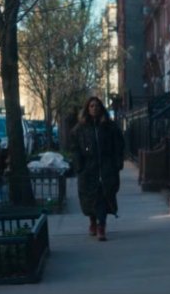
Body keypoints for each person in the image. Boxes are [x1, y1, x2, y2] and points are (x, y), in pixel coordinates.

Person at [70, 97, 125, 241]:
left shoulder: (110, 127)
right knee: (90, 197)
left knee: (103, 196)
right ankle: (93, 221)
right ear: (87, 109)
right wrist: (79, 166)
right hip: (88, 169)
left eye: (97, 106)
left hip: (106, 168)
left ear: (101, 108)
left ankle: (101, 226)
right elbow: (75, 149)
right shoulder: (79, 129)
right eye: (91, 106)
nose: (94, 108)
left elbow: (119, 146)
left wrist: (117, 164)